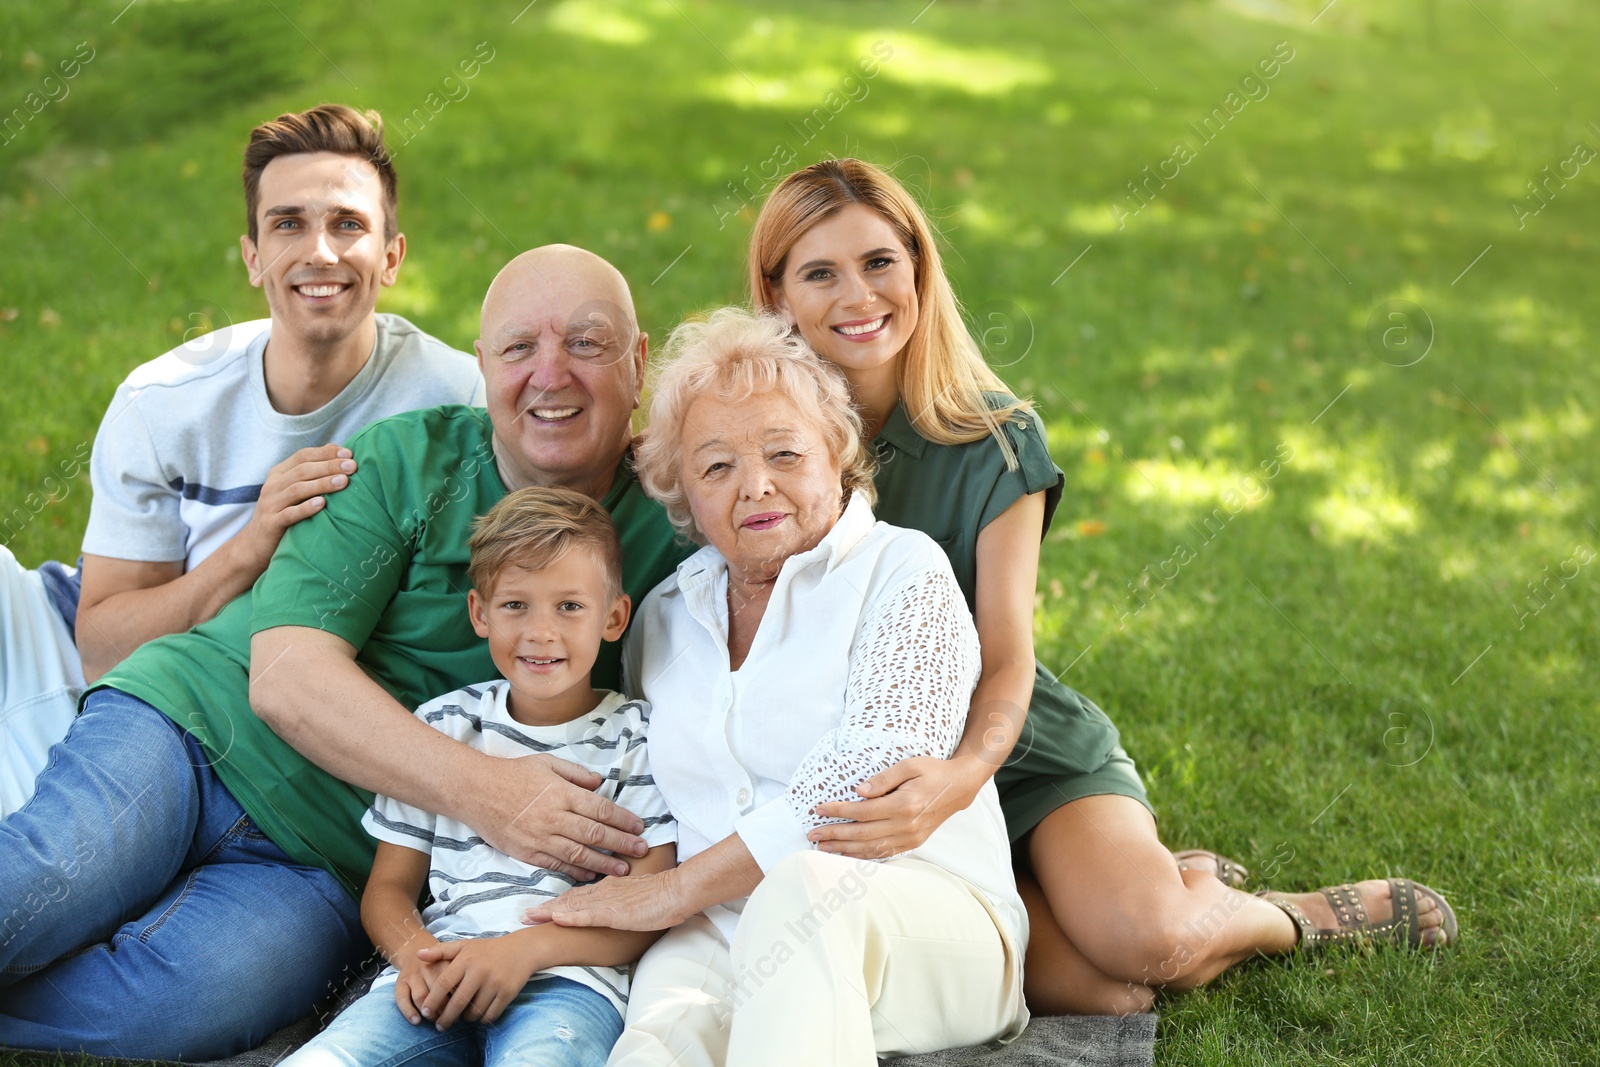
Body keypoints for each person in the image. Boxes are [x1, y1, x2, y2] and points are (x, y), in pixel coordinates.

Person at [743, 159, 1458, 1014]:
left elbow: (1007, 657)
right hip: (872, 767)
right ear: (778, 294)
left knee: (1151, 943)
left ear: (919, 270)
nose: (858, 295)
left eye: (879, 262)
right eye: (820, 272)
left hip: (1004, 748)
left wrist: (960, 779)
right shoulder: (758, 447)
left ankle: (1291, 916)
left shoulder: (993, 440)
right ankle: (1180, 877)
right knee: (1109, 994)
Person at [0, 245, 690, 1060]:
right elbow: (287, 677)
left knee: (173, 1006)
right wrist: (488, 792)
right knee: (41, 889)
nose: (551, 374)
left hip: (336, 864)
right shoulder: (407, 462)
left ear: (639, 362)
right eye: (518, 348)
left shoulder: (678, 520)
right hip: (194, 731)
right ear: (482, 366)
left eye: (587, 342)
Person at [521, 309, 1029, 1066]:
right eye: (716, 467)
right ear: (684, 494)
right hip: (719, 927)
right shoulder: (664, 616)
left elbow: (865, 786)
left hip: (920, 914)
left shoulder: (902, 571)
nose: (755, 485)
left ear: (837, 455)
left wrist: (672, 892)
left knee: (801, 894)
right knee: (654, 1046)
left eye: (784, 452)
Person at [0, 102, 483, 817]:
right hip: (62, 645)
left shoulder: (454, 404)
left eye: (347, 224)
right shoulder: (165, 401)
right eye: (287, 223)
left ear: (392, 256)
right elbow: (98, 647)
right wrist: (247, 547)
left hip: (212, 707)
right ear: (253, 256)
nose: (319, 251)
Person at [284, 487, 677, 1067]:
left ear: (614, 617)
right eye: (516, 605)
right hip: (439, 973)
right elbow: (389, 890)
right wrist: (414, 956)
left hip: (569, 982)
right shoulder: (442, 728)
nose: (541, 632)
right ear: (479, 613)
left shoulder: (639, 737)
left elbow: (648, 905)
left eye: (569, 606)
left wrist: (526, 952)